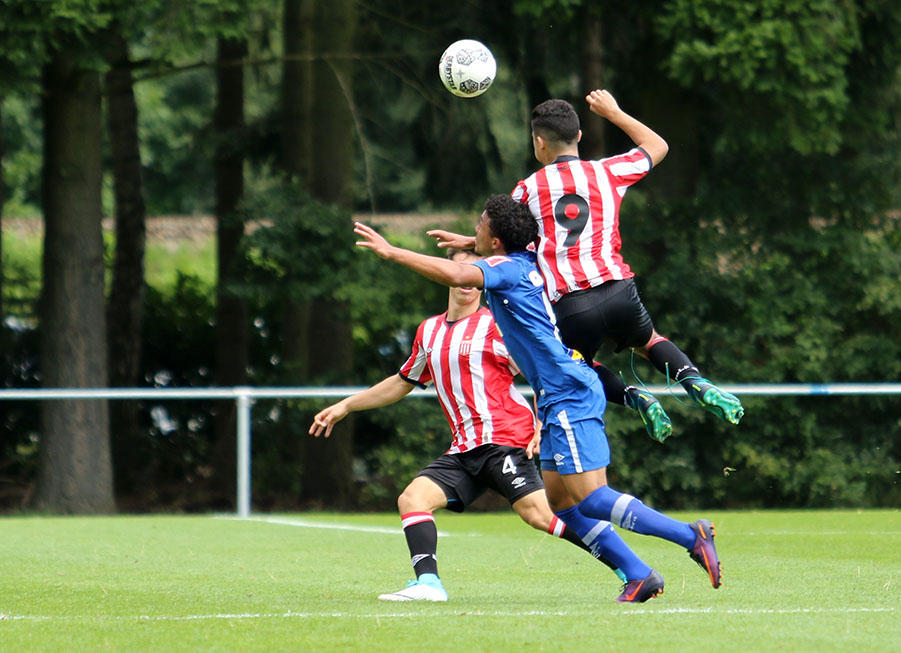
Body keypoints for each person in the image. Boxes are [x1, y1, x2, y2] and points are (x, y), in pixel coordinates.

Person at [353, 195, 722, 603]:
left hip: (567, 392)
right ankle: (637, 574)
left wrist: (392, 252)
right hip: (557, 393)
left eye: (480, 224)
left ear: (496, 242)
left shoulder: (503, 270)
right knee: (561, 506)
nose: (475, 228)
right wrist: (471, 240)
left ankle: (689, 535)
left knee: (593, 497)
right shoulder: (531, 260)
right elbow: (512, 247)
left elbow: (453, 272)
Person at [309, 248, 625, 603]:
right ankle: (429, 584)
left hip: (505, 439)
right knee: (412, 499)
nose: (467, 280)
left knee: (540, 515)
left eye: (475, 273)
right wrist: (346, 406)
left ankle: (627, 565)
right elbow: (402, 381)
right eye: (461, 269)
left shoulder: (497, 325)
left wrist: (542, 423)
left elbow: (545, 370)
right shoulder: (428, 331)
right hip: (464, 449)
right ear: (449, 275)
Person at [428, 90, 743, 443]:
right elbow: (657, 145)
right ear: (579, 136)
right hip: (619, 290)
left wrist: (471, 243)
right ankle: (693, 380)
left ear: (538, 143)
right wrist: (614, 112)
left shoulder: (527, 190)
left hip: (571, 306)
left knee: (576, 362)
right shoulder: (607, 172)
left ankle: (633, 397)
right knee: (648, 340)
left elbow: (508, 238)